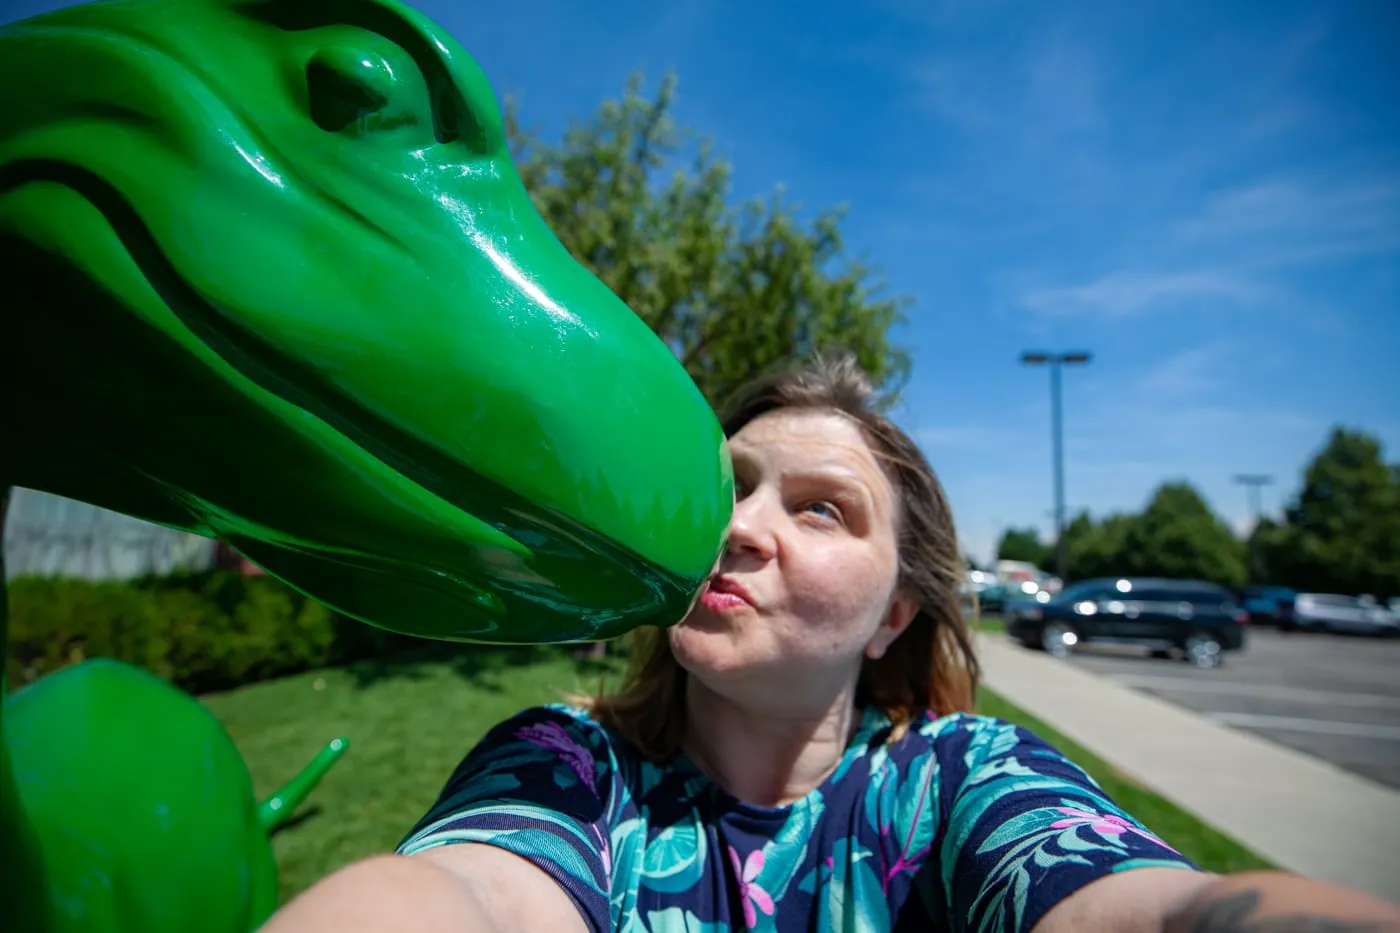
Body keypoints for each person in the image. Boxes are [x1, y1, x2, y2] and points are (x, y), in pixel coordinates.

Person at [262, 354, 1400, 932]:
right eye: (729, 488)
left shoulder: (960, 779)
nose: (739, 528)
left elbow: (1144, 905)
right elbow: (466, 895)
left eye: (820, 508)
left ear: (894, 615)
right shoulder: (569, 769)